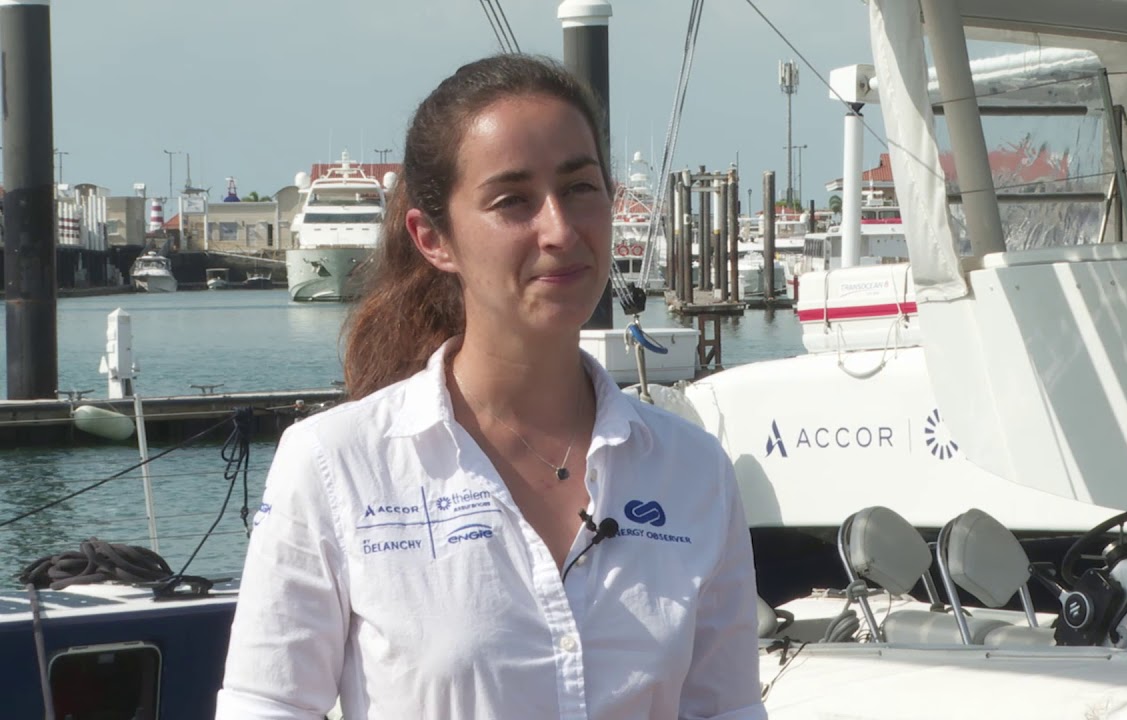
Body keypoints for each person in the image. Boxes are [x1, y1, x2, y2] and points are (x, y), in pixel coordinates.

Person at [216, 54, 765, 719]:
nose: (560, 230)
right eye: (513, 201)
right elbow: (266, 706)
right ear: (432, 237)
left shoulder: (694, 472)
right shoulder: (335, 466)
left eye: (581, 188)